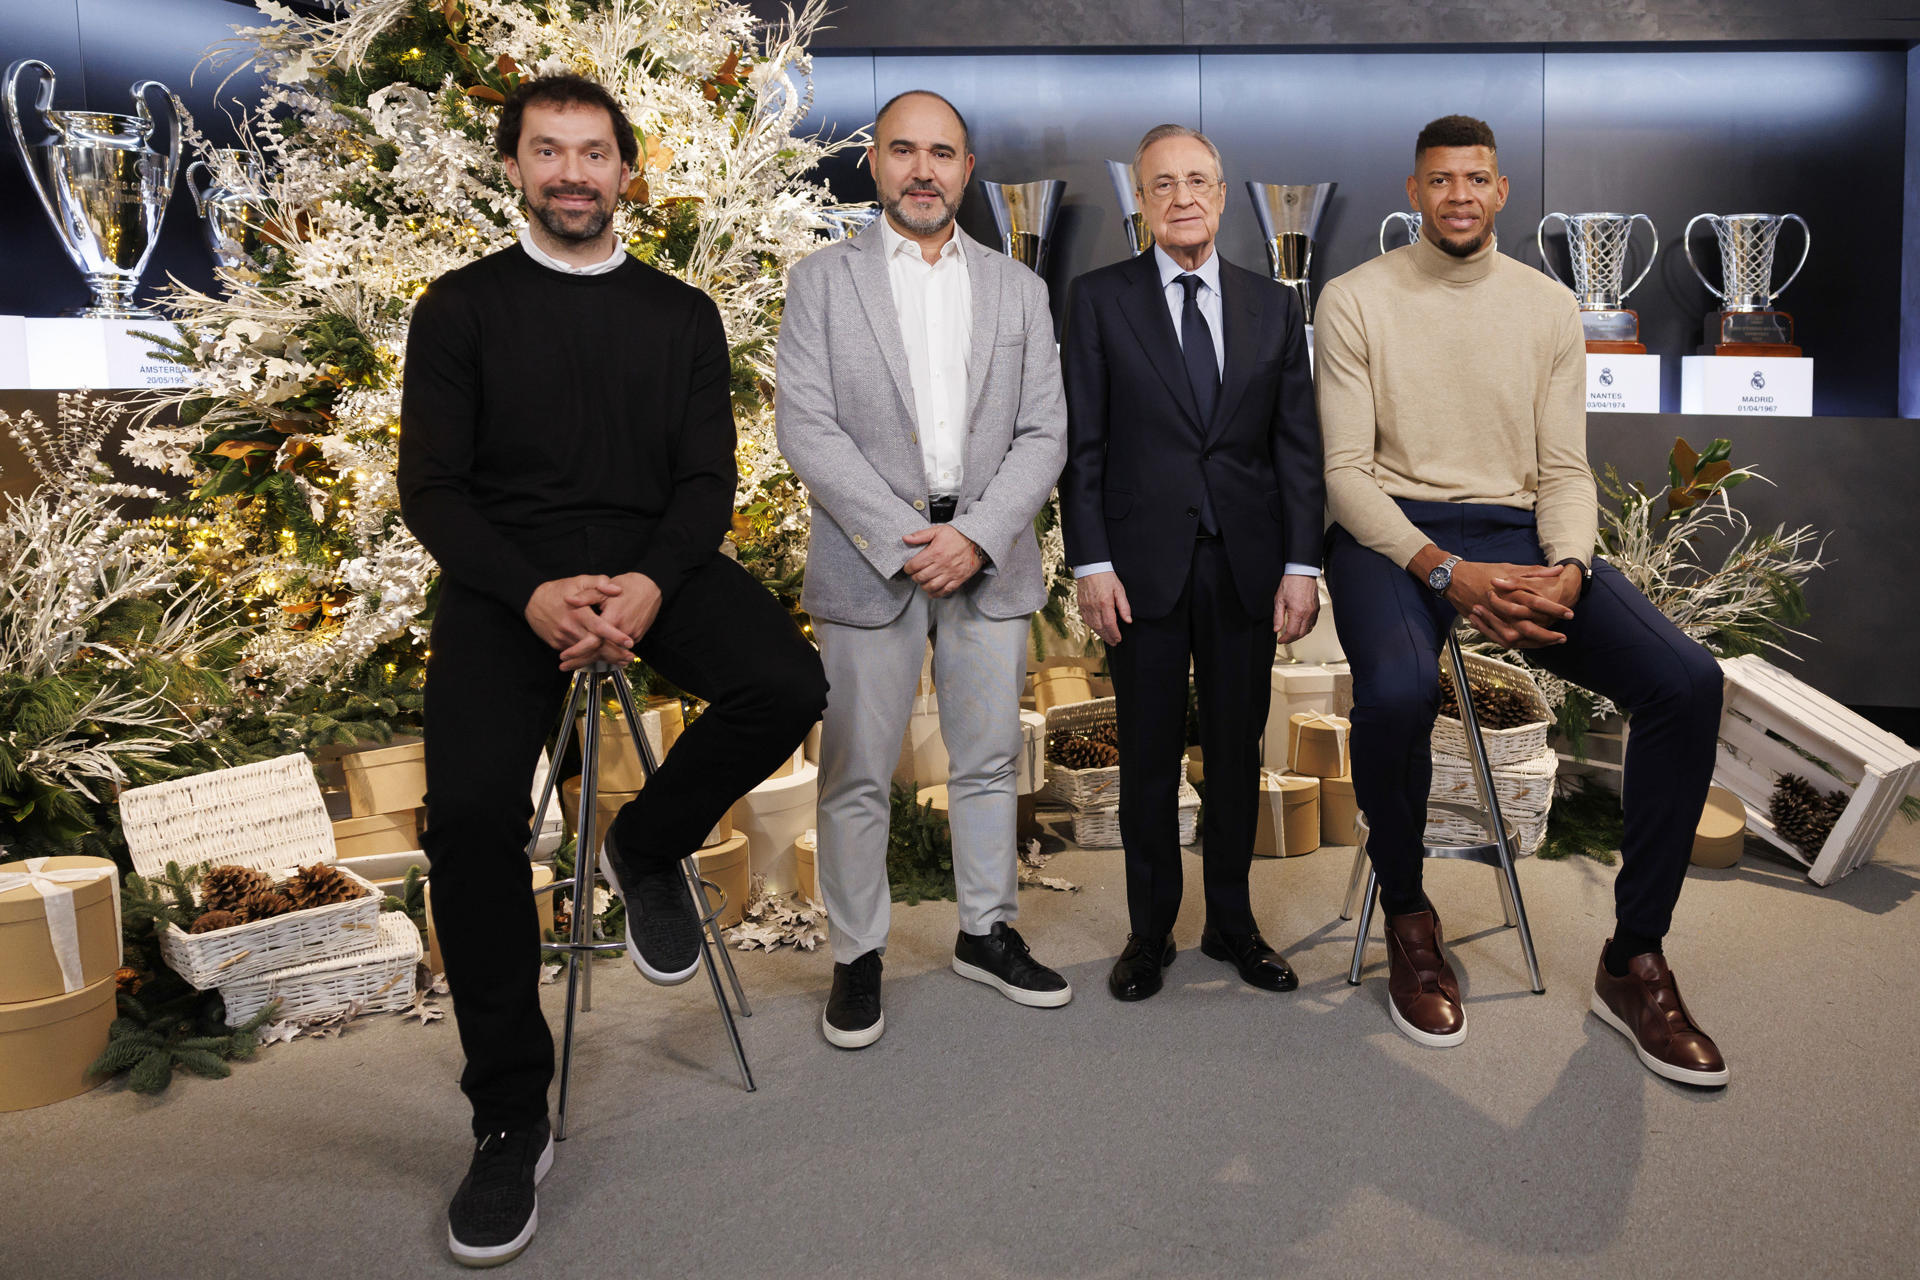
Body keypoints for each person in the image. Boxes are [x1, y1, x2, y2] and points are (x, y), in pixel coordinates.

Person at [398, 74, 827, 1266]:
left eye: (595, 153)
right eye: (550, 153)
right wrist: (533, 591)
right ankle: (507, 1114)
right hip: (505, 584)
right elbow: (428, 489)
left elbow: (705, 481)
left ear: (629, 171)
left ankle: (645, 846)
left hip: (653, 564)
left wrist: (644, 583)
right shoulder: (461, 307)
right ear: (515, 169)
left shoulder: (682, 314)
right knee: (476, 817)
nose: (574, 173)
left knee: (787, 684)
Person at [1314, 114, 1728, 1086]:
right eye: (1441, 179)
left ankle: (1633, 959)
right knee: (1401, 694)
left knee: (1686, 681)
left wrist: (1571, 566)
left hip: (1519, 529)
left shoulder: (1548, 307)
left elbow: (1564, 470)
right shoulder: (1353, 299)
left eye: (1477, 179)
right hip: (1390, 531)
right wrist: (1445, 572)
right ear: (1413, 191)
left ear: (1501, 193)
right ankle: (1412, 917)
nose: (1459, 193)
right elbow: (1341, 475)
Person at [775, 89, 1071, 1050]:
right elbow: (806, 428)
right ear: (876, 164)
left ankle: (986, 933)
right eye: (903, 151)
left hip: (988, 556)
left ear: (966, 170)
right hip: (873, 561)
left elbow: (1044, 432)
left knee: (986, 763)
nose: (923, 170)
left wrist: (976, 536)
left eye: (942, 153)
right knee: (859, 770)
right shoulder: (824, 281)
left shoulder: (1019, 288)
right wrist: (908, 538)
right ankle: (857, 953)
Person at [1060, 124, 1324, 1003]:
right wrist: (1089, 561)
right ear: (1141, 199)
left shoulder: (1274, 306)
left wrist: (1302, 564)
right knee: (1146, 753)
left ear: (1220, 193)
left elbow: (1297, 449)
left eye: (1198, 181)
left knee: (1239, 751)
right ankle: (1149, 933)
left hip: (1247, 565)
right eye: (1162, 183)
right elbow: (1084, 445)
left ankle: (1232, 923)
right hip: (1138, 570)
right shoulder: (1099, 300)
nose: (1182, 196)